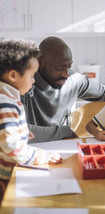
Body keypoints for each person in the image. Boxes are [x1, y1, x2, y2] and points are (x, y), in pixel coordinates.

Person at [22, 36, 105, 143]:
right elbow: (17, 131)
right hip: (30, 149)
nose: (66, 74)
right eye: (60, 67)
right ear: (40, 62)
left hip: (63, 146)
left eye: (69, 67)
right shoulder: (22, 83)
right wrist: (65, 132)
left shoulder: (74, 80)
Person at [0, 39, 62, 202]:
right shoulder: (6, 103)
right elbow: (11, 146)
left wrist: (23, 133)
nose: (34, 81)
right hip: (4, 179)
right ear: (13, 75)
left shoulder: (6, 99)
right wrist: (41, 156)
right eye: (32, 75)